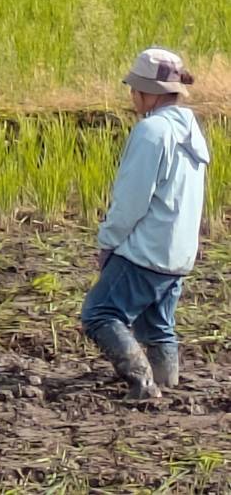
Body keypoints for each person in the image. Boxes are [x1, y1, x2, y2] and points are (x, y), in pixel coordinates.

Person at [81, 48, 209, 400]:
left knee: (99, 313)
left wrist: (108, 241)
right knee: (157, 325)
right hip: (180, 252)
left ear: (149, 92)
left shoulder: (152, 131)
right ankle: (167, 381)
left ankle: (142, 382)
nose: (131, 96)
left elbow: (132, 200)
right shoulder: (192, 131)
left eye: (134, 89)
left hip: (147, 249)